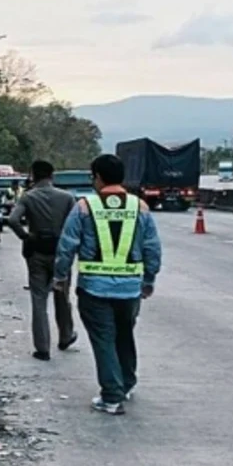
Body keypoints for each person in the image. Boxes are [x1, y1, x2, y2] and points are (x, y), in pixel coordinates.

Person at [54, 154, 161, 415]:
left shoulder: (84, 207)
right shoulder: (140, 207)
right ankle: (126, 383)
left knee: (104, 339)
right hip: (130, 289)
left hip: (94, 288)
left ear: (98, 177)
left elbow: (67, 246)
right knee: (125, 335)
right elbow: (152, 248)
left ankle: (112, 396)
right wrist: (148, 280)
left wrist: (60, 276)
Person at [6, 160, 78, 361]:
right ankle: (66, 336)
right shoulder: (67, 198)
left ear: (32, 176)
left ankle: (42, 348)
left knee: (39, 300)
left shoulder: (28, 198)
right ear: (52, 176)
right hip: (60, 253)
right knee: (62, 296)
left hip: (36, 253)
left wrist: (26, 237)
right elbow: (75, 226)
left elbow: (12, 220)